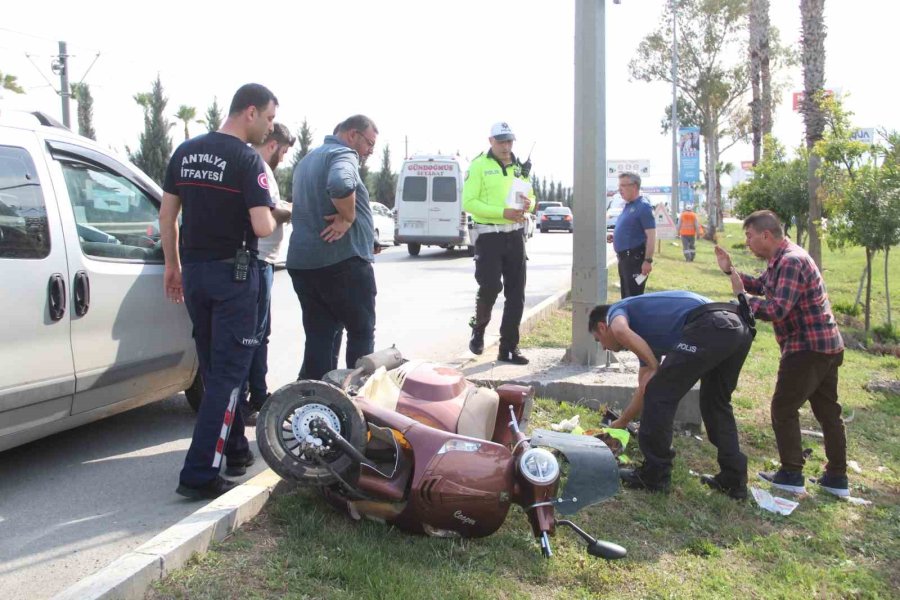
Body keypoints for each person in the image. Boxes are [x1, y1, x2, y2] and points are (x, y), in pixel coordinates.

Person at [160, 83, 278, 500]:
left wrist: (173, 266)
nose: (270, 127)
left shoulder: (186, 152)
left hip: (194, 272)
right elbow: (263, 226)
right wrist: (285, 212)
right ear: (250, 112)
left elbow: (168, 213)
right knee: (229, 377)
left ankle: (236, 450)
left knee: (213, 367)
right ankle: (198, 474)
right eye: (268, 118)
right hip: (234, 277)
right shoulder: (249, 161)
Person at [715, 210, 848, 497]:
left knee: (783, 409)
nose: (747, 242)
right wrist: (731, 271)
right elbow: (764, 284)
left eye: (750, 236)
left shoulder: (791, 260)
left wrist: (743, 301)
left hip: (807, 348)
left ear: (766, 235)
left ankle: (791, 473)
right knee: (828, 412)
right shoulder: (782, 258)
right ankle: (837, 478)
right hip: (825, 345)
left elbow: (776, 309)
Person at [589, 290, 754, 498]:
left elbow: (620, 330)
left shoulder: (616, 312)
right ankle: (734, 479)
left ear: (603, 327)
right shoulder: (644, 338)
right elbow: (645, 390)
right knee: (715, 403)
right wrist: (620, 423)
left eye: (599, 340)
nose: (604, 348)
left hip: (711, 323)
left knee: (662, 395)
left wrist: (653, 365)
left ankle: (655, 474)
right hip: (737, 327)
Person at [286, 115, 378, 380]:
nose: (369, 151)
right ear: (352, 134)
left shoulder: (307, 160)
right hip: (342, 263)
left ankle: (315, 403)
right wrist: (348, 219)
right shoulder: (343, 154)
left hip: (304, 265)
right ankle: (354, 401)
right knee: (361, 331)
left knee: (320, 336)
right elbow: (340, 182)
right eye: (369, 143)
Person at [463, 121, 535, 365]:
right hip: (489, 235)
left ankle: (509, 348)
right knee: (491, 287)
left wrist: (529, 205)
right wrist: (501, 213)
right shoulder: (479, 165)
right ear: (491, 141)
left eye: (509, 141)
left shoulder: (519, 168)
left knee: (517, 294)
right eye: (501, 141)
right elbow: (469, 203)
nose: (506, 146)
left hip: (515, 235)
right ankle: (479, 328)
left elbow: (532, 197)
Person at [242, 123, 296, 417]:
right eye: (284, 151)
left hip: (261, 261)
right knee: (256, 334)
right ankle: (254, 398)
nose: (284, 158)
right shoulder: (259, 167)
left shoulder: (257, 167)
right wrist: (292, 210)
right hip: (258, 260)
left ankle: (256, 394)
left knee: (260, 333)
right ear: (273, 145)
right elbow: (268, 215)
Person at [607, 172, 655, 298]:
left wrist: (648, 260)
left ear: (634, 186)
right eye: (619, 186)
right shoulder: (628, 206)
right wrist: (616, 237)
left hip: (635, 260)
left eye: (623, 185)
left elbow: (651, 235)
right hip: (624, 260)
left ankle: (634, 318)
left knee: (632, 298)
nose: (620, 189)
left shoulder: (643, 207)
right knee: (626, 297)